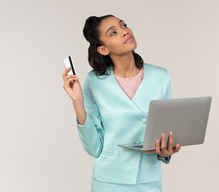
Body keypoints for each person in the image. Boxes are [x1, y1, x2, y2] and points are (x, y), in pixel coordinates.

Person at [62, 14, 181, 192]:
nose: (124, 32)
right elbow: (94, 148)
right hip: (108, 182)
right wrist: (78, 102)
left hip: (148, 181)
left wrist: (165, 151)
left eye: (124, 25)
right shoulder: (94, 81)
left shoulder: (161, 77)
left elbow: (165, 131)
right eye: (113, 33)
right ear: (103, 49)